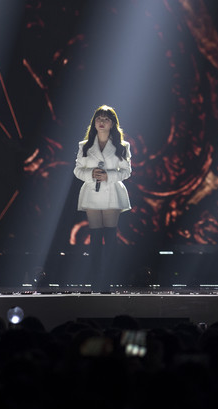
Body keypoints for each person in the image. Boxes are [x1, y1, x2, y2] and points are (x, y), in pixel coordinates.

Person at [74, 105, 131, 291]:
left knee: (110, 237)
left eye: (106, 119)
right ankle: (95, 279)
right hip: (92, 192)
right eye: (99, 118)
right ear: (94, 122)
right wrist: (91, 174)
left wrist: (109, 176)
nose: (102, 122)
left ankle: (108, 280)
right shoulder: (85, 145)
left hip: (112, 193)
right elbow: (77, 170)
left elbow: (127, 171)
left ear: (112, 123)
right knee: (95, 238)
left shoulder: (122, 146)